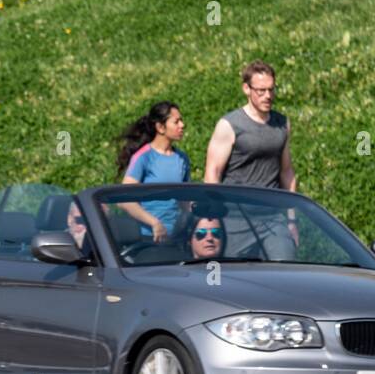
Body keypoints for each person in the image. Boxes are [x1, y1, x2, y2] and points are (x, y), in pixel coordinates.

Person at [204, 61, 300, 259]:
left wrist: (292, 220)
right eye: (261, 90)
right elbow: (212, 172)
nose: (268, 96)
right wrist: (213, 218)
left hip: (272, 217)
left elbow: (287, 172)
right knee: (233, 280)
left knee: (285, 272)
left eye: (271, 90)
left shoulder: (282, 123)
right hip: (235, 218)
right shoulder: (229, 124)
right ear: (246, 89)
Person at [114, 101, 190, 243]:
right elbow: (124, 200)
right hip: (148, 238)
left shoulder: (182, 159)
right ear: (160, 127)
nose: (182, 125)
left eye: (181, 120)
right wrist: (154, 223)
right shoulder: (144, 157)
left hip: (177, 238)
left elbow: (184, 201)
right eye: (176, 122)